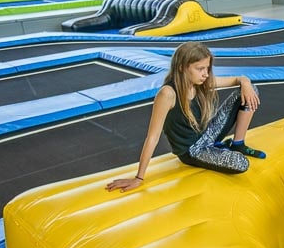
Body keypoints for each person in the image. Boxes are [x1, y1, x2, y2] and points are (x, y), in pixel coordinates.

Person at [106, 42, 265, 192]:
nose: (205, 74)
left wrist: (245, 82)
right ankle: (220, 148)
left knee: (251, 90)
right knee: (241, 163)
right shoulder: (168, 94)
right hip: (193, 150)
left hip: (207, 134)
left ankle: (238, 143)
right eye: (200, 69)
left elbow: (240, 79)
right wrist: (138, 178)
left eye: (207, 68)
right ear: (182, 67)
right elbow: (152, 137)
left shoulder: (201, 82)